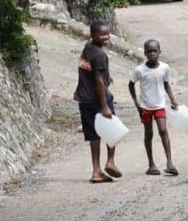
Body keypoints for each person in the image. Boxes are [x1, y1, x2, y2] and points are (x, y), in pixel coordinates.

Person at [74, 21, 122, 183]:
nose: (106, 37)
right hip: (98, 99)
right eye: (102, 34)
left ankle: (96, 171)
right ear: (93, 35)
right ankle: (110, 161)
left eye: (107, 33)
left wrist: (107, 76)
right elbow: (99, 82)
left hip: (84, 99)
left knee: (94, 135)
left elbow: (94, 73)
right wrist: (104, 107)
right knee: (112, 130)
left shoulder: (88, 48)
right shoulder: (100, 55)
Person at [129, 39, 180, 176]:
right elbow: (131, 84)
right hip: (145, 107)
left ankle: (169, 163)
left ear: (159, 52)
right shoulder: (139, 70)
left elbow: (166, 84)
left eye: (154, 51)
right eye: (149, 51)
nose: (152, 54)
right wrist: (137, 104)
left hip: (159, 105)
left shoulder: (164, 67)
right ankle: (151, 164)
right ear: (145, 53)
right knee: (149, 134)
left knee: (163, 130)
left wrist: (173, 99)